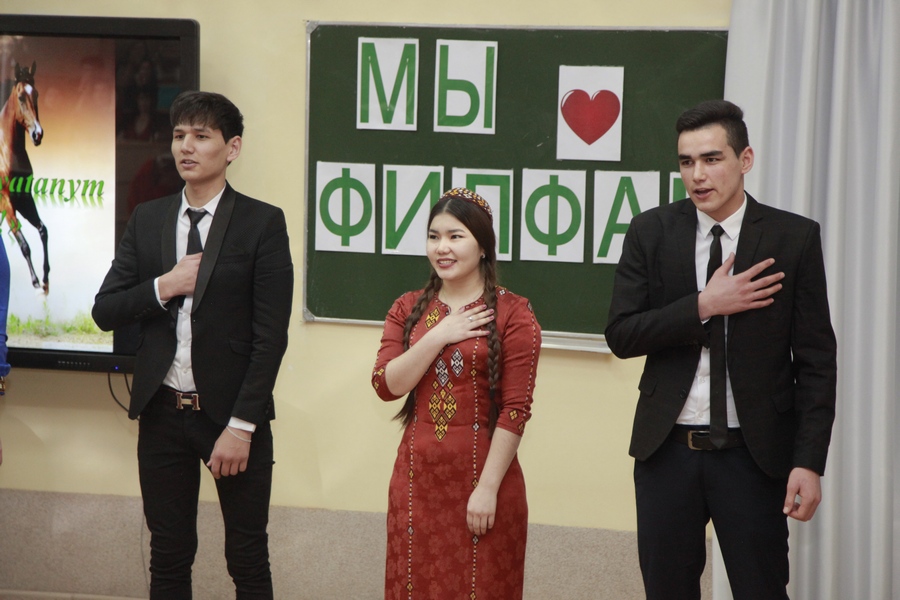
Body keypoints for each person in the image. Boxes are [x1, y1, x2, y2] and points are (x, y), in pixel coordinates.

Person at [605, 99, 837, 600]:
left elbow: (817, 362)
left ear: (744, 159)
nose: (698, 175)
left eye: (712, 159)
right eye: (687, 162)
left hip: (753, 456)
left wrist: (808, 461)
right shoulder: (650, 231)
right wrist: (702, 306)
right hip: (667, 453)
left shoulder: (793, 237)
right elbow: (621, 334)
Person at [92, 91, 293, 599]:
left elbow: (270, 338)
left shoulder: (262, 223)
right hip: (162, 412)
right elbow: (105, 310)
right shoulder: (148, 218)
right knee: (168, 555)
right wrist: (166, 284)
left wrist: (242, 427)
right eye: (179, 135)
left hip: (232, 417)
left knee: (247, 558)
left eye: (201, 136)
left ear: (232, 148)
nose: (186, 146)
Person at [371, 188, 541, 599]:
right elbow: (386, 385)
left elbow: (515, 411)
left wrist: (487, 489)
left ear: (483, 246)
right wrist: (439, 334)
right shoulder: (407, 307)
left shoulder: (514, 313)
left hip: (485, 487)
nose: (441, 247)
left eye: (455, 236)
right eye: (434, 236)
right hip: (415, 486)